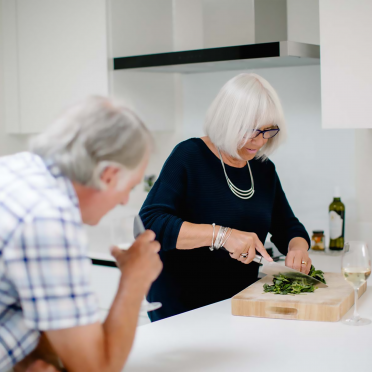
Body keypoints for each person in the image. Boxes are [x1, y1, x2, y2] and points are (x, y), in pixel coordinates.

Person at [0, 97, 162, 372]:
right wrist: (135, 278)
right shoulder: (49, 219)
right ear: (108, 175)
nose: (124, 200)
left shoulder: (15, 168)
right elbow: (96, 368)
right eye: (130, 186)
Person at [140, 73, 311, 322]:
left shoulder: (263, 169)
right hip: (182, 310)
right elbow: (150, 224)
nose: (260, 142)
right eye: (253, 131)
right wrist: (223, 235)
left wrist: (298, 247)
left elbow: (287, 225)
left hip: (238, 305)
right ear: (228, 122)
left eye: (268, 131)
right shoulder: (189, 156)